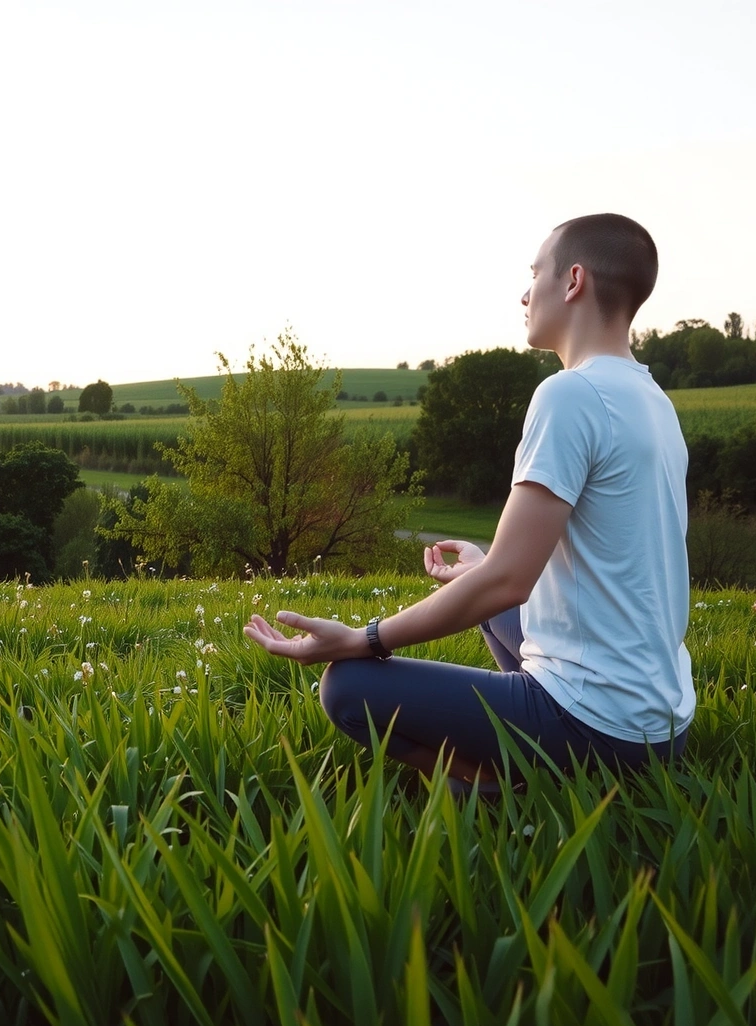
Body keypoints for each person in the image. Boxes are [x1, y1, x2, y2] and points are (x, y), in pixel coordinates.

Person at [242, 213, 693, 791]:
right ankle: (527, 763)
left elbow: (508, 582)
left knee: (346, 687)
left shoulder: (570, 395)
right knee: (485, 600)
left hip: (597, 725)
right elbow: (599, 555)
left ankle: (505, 787)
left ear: (574, 281)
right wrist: (485, 570)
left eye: (536, 274)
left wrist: (364, 638)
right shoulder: (652, 399)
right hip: (662, 723)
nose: (526, 294)